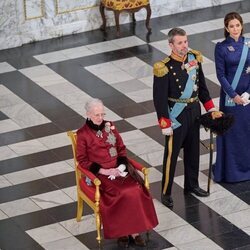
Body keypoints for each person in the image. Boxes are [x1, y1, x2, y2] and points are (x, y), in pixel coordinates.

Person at [76, 98, 158, 247]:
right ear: (88, 114)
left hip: (119, 169)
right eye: (97, 115)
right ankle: (122, 232)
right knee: (122, 193)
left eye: (102, 114)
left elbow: (121, 148)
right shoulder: (82, 134)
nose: (100, 118)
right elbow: (81, 161)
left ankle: (134, 231)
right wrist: (104, 170)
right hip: (100, 174)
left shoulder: (110, 126)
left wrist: (120, 167)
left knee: (136, 188)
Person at [153, 28, 216, 208]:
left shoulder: (194, 59)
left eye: (185, 42)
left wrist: (211, 109)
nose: (184, 46)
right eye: (179, 43)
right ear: (171, 45)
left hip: (194, 111)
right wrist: (164, 122)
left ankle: (192, 185)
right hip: (176, 115)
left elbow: (202, 87)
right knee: (171, 155)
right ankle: (166, 191)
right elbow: (159, 99)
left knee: (193, 151)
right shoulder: (164, 67)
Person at [213, 12, 250, 182]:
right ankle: (230, 171)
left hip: (248, 98)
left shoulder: (248, 44)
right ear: (226, 28)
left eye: (237, 25)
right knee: (232, 132)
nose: (235, 29)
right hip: (230, 98)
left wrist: (248, 93)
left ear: (242, 25)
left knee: (246, 132)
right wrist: (234, 95)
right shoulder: (221, 48)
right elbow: (221, 75)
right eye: (231, 26)